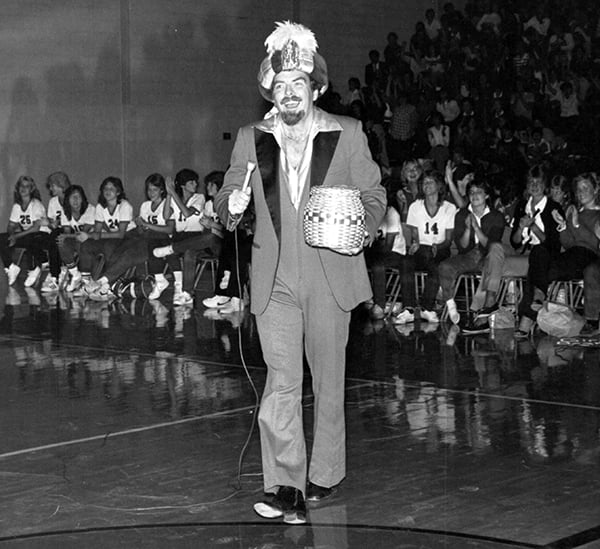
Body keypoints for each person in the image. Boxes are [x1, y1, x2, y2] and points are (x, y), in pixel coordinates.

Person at [214, 21, 386, 524]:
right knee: (282, 382)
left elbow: (375, 196)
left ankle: (326, 474)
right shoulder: (251, 138)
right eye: (279, 85)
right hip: (275, 280)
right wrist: (233, 204)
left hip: (331, 275)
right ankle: (285, 485)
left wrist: (364, 226)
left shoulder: (347, 134)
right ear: (270, 90)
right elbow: (226, 199)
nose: (289, 94)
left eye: (298, 85)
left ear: (316, 88)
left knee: (328, 382)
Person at [438, 178, 505, 326]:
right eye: (471, 192)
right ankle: (451, 306)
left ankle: (489, 303)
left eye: (479, 192)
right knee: (444, 266)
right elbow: (462, 247)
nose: (474, 196)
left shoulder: (496, 216)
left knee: (495, 250)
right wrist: (468, 229)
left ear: (487, 195)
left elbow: (491, 244)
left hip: (488, 256)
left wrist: (476, 228)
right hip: (468, 256)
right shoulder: (461, 214)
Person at [0, 176, 53, 287]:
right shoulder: (17, 206)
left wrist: (16, 236)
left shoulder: (36, 204)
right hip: (27, 235)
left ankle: (34, 268)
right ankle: (10, 267)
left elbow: (35, 228)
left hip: (42, 236)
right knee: (2, 238)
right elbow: (11, 225)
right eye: (21, 186)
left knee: (31, 238)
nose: (23, 188)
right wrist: (11, 235)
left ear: (31, 189)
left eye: (27, 186)